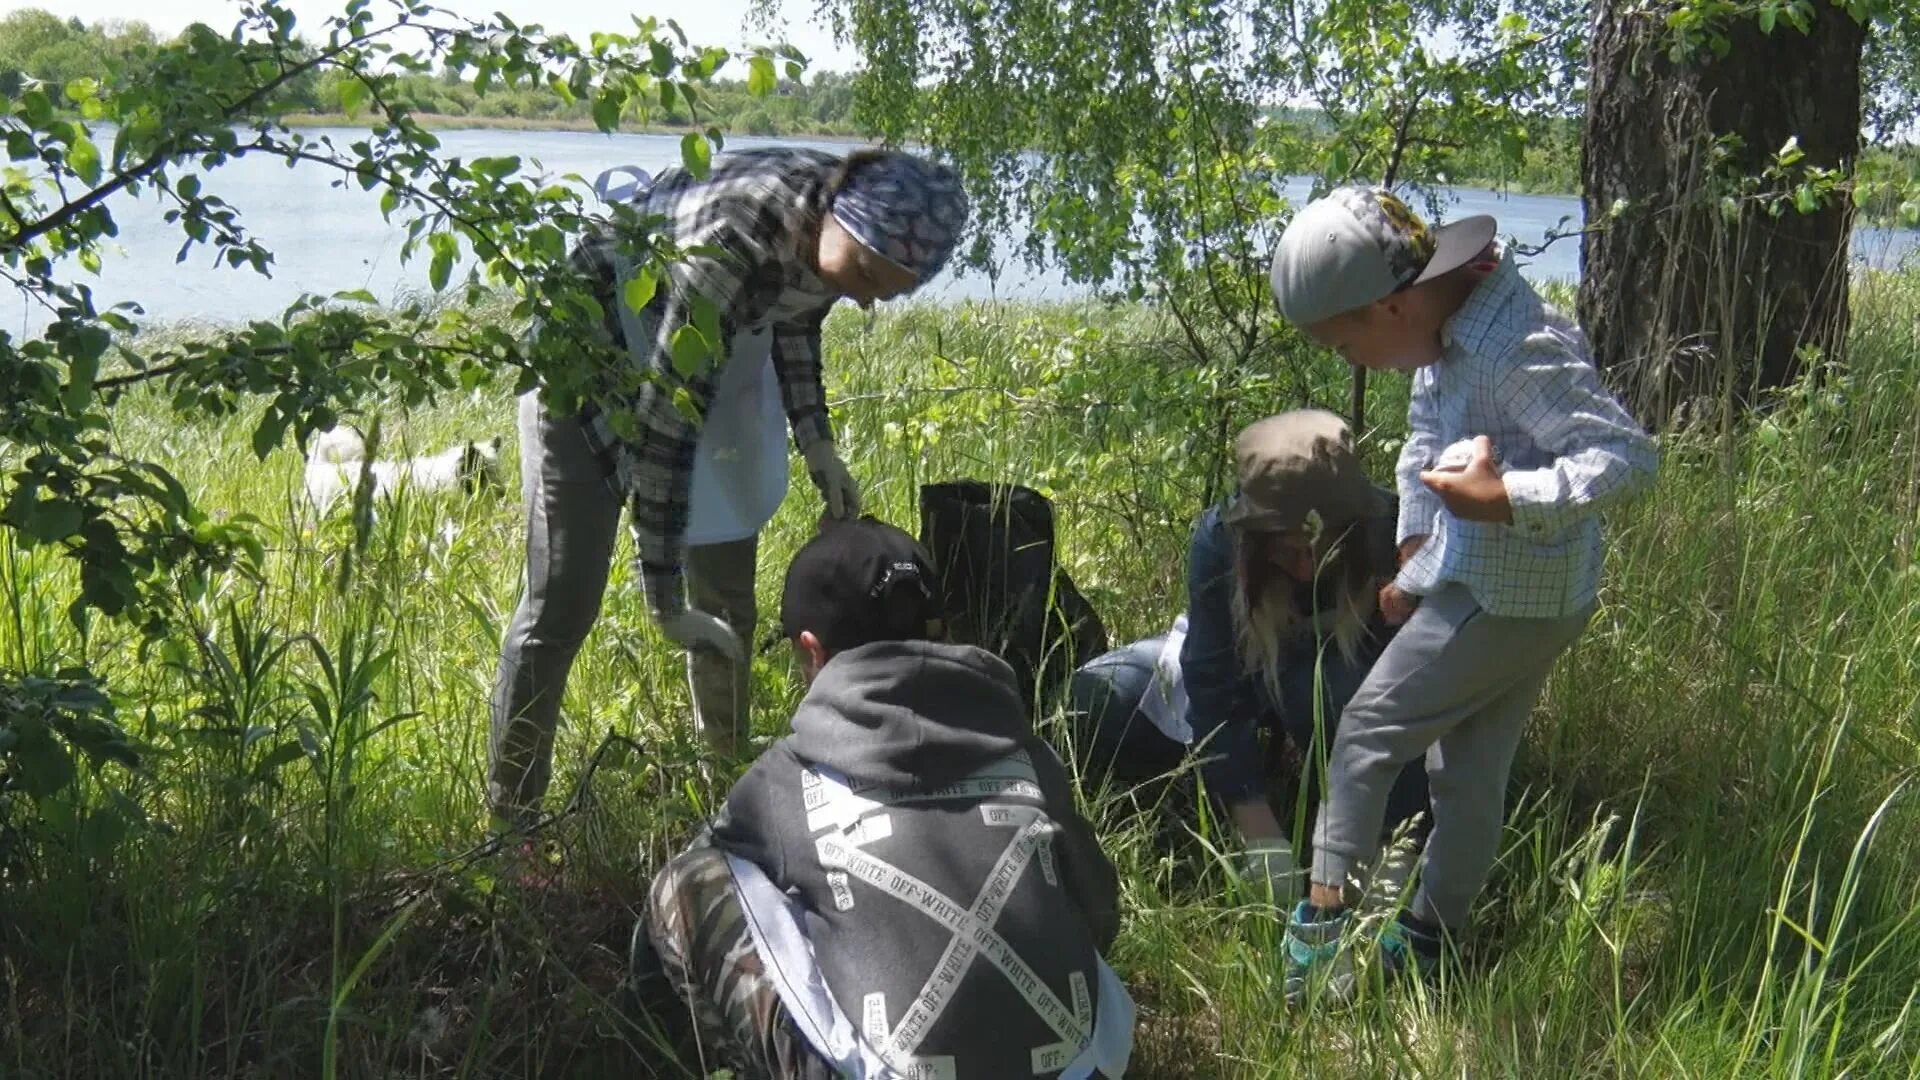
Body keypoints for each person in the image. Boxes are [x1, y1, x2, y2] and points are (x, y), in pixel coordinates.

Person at [489, 147, 969, 831]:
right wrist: (663, 603)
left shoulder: (830, 229)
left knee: (728, 601)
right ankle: (511, 828)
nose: (862, 297)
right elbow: (664, 429)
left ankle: (726, 798)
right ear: (839, 218)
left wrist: (817, 441)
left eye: (882, 294)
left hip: (699, 371)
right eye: (864, 275)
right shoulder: (730, 241)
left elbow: (798, 312)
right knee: (560, 606)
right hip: (588, 370)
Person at [1266, 186, 1657, 1002]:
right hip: (1511, 586)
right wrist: (1414, 545)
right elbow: (1423, 442)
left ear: (1394, 306)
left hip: (1509, 588)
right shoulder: (1442, 338)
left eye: (1345, 347)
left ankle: (1318, 940)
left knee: (1369, 730)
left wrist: (1507, 496)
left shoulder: (1515, 344)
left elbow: (1626, 458)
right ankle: (1433, 942)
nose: (1350, 364)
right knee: (1469, 771)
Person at [633, 518, 1133, 1079]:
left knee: (687, 882)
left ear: (813, 652)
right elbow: (1100, 911)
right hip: (1081, 1069)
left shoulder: (781, 781)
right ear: (940, 631)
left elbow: (699, 899)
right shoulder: (1027, 752)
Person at [1066, 410, 1430, 903]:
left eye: (1316, 551)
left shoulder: (1397, 535)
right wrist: (1255, 824)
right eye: (1285, 552)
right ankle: (1237, 776)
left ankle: (1378, 832)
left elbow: (1416, 695)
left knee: (1318, 686)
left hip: (1344, 689)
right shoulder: (1219, 541)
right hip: (1248, 669)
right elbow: (1211, 676)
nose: (1303, 570)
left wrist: (1396, 836)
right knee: (1097, 697)